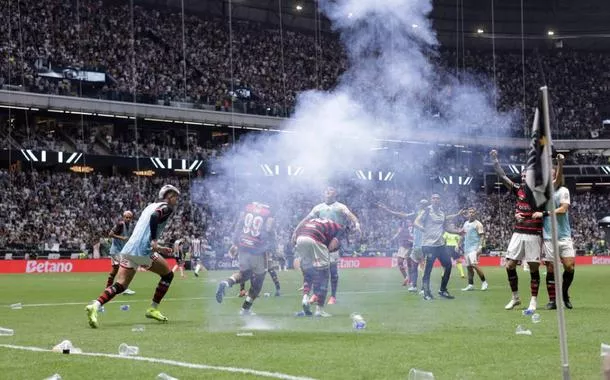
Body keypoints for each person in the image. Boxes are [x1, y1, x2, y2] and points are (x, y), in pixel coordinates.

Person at [85, 185, 180, 328]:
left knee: (121, 285)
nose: (177, 200)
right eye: (175, 196)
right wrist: (154, 241)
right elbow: (155, 218)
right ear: (168, 196)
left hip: (130, 248)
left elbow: (143, 230)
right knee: (168, 275)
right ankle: (153, 308)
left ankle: (95, 305)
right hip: (142, 251)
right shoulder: (167, 208)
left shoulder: (149, 207)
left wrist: (159, 247)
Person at [490, 150, 563, 312]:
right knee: (509, 265)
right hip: (518, 233)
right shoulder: (518, 190)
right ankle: (515, 297)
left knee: (533, 268)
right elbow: (503, 177)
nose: (523, 179)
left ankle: (533, 300)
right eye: (522, 176)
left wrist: (559, 164)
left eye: (526, 176)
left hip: (533, 234)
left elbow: (556, 182)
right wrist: (495, 161)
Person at [292, 186, 361, 305]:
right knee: (316, 268)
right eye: (326, 191)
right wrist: (295, 231)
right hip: (320, 239)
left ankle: (333, 296)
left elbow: (350, 215)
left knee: (332, 270)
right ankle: (315, 294)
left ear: (335, 193)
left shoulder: (340, 206)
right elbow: (306, 219)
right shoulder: (318, 207)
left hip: (334, 238)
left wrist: (357, 224)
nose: (328, 192)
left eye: (331, 190)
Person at [215, 201, 275, 315]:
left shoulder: (248, 207)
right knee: (259, 281)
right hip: (257, 249)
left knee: (244, 274)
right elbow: (269, 230)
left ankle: (226, 283)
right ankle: (245, 309)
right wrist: (270, 247)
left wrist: (235, 243)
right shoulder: (268, 213)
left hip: (243, 245)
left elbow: (239, 224)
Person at [413, 193, 464, 300]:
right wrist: (422, 228)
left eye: (438, 198)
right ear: (431, 200)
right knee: (428, 269)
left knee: (448, 265)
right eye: (434, 198)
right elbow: (416, 222)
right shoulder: (426, 211)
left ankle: (442, 290)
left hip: (440, 245)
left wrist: (458, 232)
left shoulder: (442, 213)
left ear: (440, 200)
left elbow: (446, 228)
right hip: (428, 245)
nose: (436, 200)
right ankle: (427, 293)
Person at [540, 161, 574, 309]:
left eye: (554, 174)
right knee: (551, 269)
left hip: (564, 235)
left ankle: (564, 294)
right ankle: (552, 300)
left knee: (569, 267)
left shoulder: (564, 191)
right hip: (549, 236)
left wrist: (560, 164)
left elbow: (564, 208)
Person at [293, 218, 343, 317]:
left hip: (300, 238)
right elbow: (341, 230)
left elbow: (296, 235)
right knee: (324, 275)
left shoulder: (313, 221)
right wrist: (335, 241)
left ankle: (305, 297)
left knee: (308, 272)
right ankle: (319, 310)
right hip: (313, 238)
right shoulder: (334, 225)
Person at [107, 211, 136, 295]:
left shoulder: (131, 226)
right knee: (124, 269)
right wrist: (121, 238)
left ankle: (108, 287)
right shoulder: (120, 225)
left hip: (122, 251)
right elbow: (110, 234)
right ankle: (123, 288)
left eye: (129, 217)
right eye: (126, 217)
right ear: (123, 217)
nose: (128, 219)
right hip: (116, 250)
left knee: (115, 270)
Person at [460, 208, 488, 291]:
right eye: (470, 212)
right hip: (466, 248)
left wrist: (480, 247)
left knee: (474, 264)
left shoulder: (478, 224)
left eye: (473, 212)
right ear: (468, 214)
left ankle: (484, 282)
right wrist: (458, 244)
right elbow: (462, 234)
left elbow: (482, 236)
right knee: (469, 267)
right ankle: (470, 284)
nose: (471, 214)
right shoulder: (465, 223)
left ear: (475, 214)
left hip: (474, 248)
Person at [389, 219, 414, 286]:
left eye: (409, 222)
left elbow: (414, 237)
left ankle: (411, 280)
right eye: (407, 222)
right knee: (400, 263)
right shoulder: (402, 228)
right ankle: (406, 277)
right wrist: (393, 238)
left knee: (409, 264)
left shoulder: (414, 228)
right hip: (402, 246)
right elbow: (397, 233)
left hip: (410, 247)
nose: (408, 223)